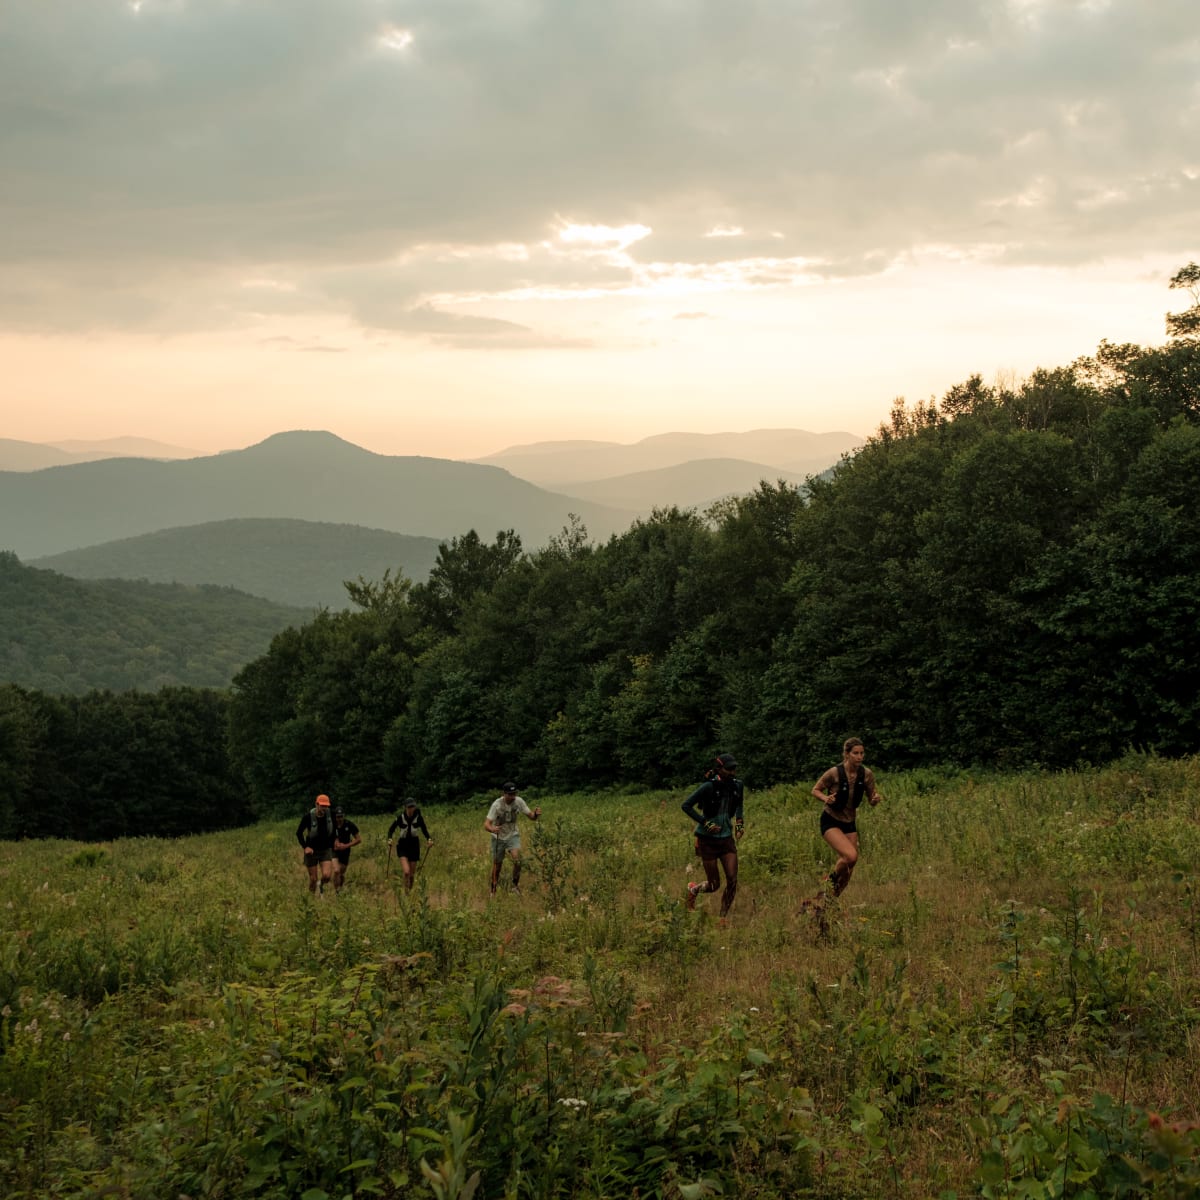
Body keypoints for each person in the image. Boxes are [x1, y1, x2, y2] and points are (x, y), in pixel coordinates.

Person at [811, 736, 884, 898]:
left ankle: (830, 900)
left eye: (862, 753)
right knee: (850, 855)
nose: (859, 757)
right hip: (831, 819)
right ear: (847, 754)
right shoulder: (834, 773)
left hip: (849, 822)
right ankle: (826, 886)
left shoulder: (867, 774)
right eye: (855, 753)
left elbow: (871, 798)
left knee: (851, 865)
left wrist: (874, 800)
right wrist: (825, 798)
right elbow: (815, 789)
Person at [682, 753, 745, 917]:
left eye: (734, 769)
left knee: (732, 880)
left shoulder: (737, 786)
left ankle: (722, 917)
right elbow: (686, 806)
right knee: (714, 884)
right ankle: (694, 890)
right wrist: (706, 823)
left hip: (726, 838)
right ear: (719, 769)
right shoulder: (708, 787)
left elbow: (739, 805)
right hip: (707, 840)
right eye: (729, 769)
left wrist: (739, 823)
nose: (732, 772)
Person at [484, 782, 541, 895]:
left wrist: (536, 814)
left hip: (512, 834)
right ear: (504, 794)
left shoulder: (519, 801)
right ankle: (493, 890)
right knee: (498, 865)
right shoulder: (497, 805)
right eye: (510, 794)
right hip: (498, 837)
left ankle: (514, 886)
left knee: (518, 860)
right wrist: (492, 829)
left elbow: (531, 817)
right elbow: (486, 824)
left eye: (514, 793)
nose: (512, 796)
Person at [387, 797, 433, 891]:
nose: (411, 808)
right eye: (409, 807)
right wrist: (390, 839)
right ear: (405, 807)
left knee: (412, 875)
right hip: (403, 845)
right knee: (407, 872)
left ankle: (410, 892)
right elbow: (391, 829)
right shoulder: (400, 818)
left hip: (414, 845)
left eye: (412, 806)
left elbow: (424, 830)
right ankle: (405, 891)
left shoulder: (419, 818)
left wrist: (429, 839)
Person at [296, 793, 337, 895]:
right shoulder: (308, 817)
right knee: (313, 879)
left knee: (327, 876)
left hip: (325, 849)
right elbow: (299, 833)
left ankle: (321, 885)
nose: (324, 808)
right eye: (322, 805)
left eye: (326, 806)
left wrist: (336, 841)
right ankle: (311, 900)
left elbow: (335, 829)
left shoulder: (331, 815)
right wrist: (305, 847)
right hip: (312, 851)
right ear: (316, 804)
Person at [331, 806, 362, 891]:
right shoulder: (332, 825)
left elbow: (359, 839)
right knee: (336, 871)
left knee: (341, 873)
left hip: (345, 851)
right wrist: (335, 843)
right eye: (338, 817)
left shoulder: (349, 824)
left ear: (344, 816)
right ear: (335, 817)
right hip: (334, 850)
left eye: (341, 816)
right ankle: (336, 892)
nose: (339, 819)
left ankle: (340, 888)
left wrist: (346, 846)